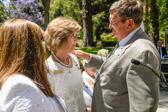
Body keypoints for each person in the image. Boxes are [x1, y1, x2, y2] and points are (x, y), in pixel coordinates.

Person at [72, 0, 160, 112]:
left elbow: (143, 106)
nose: (109, 27)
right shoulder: (128, 40)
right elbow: (117, 66)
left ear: (129, 24)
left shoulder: (143, 52)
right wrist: (89, 57)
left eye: (113, 23)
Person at [0, 19, 67, 112]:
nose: (44, 46)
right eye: (41, 39)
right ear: (30, 46)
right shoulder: (20, 86)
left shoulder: (27, 81)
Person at [44, 17, 86, 112]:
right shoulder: (47, 68)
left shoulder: (74, 60)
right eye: (73, 35)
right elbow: (48, 103)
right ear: (60, 38)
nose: (77, 39)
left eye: (76, 35)